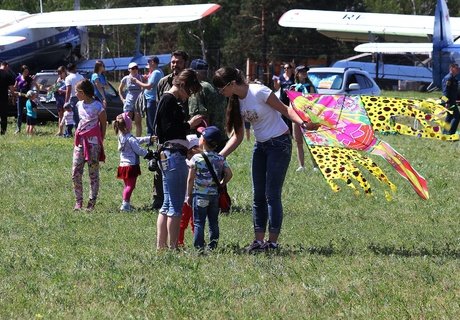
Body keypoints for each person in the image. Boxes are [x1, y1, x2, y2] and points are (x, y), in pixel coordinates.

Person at [212, 67, 319, 252]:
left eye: (221, 89)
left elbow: (285, 110)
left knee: (271, 194)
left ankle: (272, 242)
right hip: (260, 146)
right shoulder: (236, 101)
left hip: (279, 144)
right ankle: (259, 242)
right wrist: (219, 157)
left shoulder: (258, 91)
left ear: (231, 84)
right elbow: (237, 137)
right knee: (257, 195)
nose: (221, 93)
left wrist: (303, 123)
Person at [155, 68, 203, 250]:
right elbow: (170, 129)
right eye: (189, 91)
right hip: (174, 155)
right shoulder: (170, 101)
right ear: (182, 85)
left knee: (166, 204)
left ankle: (161, 246)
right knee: (175, 206)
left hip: (167, 154)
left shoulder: (166, 100)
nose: (188, 96)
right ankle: (173, 247)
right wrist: (189, 124)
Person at [152, 50, 189, 210]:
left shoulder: (188, 82)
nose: (175, 65)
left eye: (178, 62)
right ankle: (157, 199)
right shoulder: (163, 82)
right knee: (160, 168)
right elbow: (158, 108)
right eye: (173, 62)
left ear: (185, 63)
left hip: (183, 132)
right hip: (165, 133)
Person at [186, 126, 233, 251]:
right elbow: (229, 174)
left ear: (203, 141)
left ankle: (199, 247)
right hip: (214, 196)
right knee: (213, 222)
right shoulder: (220, 158)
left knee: (199, 222)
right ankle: (213, 246)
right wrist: (222, 183)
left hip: (200, 195)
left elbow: (190, 179)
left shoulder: (196, 158)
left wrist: (188, 195)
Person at [72, 79, 107, 211]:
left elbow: (103, 124)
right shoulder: (79, 104)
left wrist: (100, 140)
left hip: (93, 144)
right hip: (80, 143)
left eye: (77, 92)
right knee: (75, 172)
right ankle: (78, 202)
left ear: (83, 92)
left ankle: (91, 202)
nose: (76, 94)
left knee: (93, 174)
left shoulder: (98, 106)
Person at [113, 112, 154, 212]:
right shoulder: (130, 138)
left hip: (123, 165)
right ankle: (125, 205)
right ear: (129, 126)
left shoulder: (122, 136)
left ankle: (126, 203)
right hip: (131, 166)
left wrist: (148, 138)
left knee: (127, 186)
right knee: (131, 186)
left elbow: (136, 140)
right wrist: (148, 154)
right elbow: (138, 150)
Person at [289, 65, 319, 172]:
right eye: (302, 72)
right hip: (296, 117)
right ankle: (301, 165)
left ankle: (315, 165)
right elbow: (291, 102)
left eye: (306, 72)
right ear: (297, 74)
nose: (304, 73)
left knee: (311, 141)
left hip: (308, 117)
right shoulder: (293, 87)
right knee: (298, 142)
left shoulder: (311, 87)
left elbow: (315, 101)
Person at [188, 59, 227, 137]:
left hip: (206, 138)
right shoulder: (216, 85)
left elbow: (198, 116)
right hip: (220, 134)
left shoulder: (199, 87)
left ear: (194, 73)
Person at [178, 134, 201, 247]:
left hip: (186, 198)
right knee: (194, 222)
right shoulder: (198, 162)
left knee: (184, 222)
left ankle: (180, 242)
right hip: (193, 197)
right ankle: (196, 242)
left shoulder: (183, 163)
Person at [131, 56, 164, 135]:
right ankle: (150, 138)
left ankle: (152, 138)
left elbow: (149, 86)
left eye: (149, 61)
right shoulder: (157, 71)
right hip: (150, 99)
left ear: (153, 62)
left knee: (151, 121)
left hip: (152, 100)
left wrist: (136, 81)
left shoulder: (156, 72)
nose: (147, 63)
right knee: (149, 120)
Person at [118, 62, 143, 136]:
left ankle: (137, 140)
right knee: (126, 121)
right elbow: (120, 89)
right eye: (133, 68)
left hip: (138, 102)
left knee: (138, 122)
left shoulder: (141, 77)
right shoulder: (125, 78)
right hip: (129, 102)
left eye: (136, 68)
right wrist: (122, 99)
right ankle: (126, 138)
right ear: (129, 69)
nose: (135, 70)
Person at [14, 65, 36, 134]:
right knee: (19, 114)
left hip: (28, 99)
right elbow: (15, 88)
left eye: (27, 71)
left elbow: (35, 85)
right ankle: (18, 129)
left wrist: (36, 92)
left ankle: (29, 128)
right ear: (22, 72)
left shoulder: (29, 79)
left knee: (29, 113)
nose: (27, 73)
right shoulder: (18, 78)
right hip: (20, 98)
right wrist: (15, 92)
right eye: (25, 71)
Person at [273, 63, 295, 132]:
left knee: (291, 114)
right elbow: (277, 88)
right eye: (284, 68)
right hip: (283, 99)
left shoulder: (294, 77)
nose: (286, 69)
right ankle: (284, 131)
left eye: (288, 68)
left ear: (291, 69)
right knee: (284, 115)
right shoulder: (281, 77)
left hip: (292, 99)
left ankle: (292, 131)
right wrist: (275, 81)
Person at [442, 63, 460, 135]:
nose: (458, 70)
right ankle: (450, 133)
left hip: (451, 101)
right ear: (452, 69)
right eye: (457, 68)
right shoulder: (448, 78)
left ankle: (445, 132)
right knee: (456, 116)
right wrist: (446, 102)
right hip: (448, 101)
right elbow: (445, 91)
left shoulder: (453, 78)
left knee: (449, 117)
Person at [65, 63, 85, 127]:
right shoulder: (81, 77)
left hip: (73, 98)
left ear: (68, 70)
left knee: (75, 115)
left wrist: (66, 101)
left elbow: (69, 90)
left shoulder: (68, 78)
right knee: (81, 113)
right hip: (82, 97)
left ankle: (77, 128)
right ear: (74, 68)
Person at [0, 61, 16, 135]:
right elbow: (11, 88)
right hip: (3, 98)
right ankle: (3, 132)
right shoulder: (7, 75)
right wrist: (14, 95)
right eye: (8, 67)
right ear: (6, 66)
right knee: (3, 116)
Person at [51, 66, 68, 136]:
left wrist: (62, 91)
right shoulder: (58, 80)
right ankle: (60, 131)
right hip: (59, 100)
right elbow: (54, 89)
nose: (59, 75)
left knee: (66, 115)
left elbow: (69, 90)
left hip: (65, 99)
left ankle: (67, 131)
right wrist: (55, 87)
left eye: (60, 73)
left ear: (64, 72)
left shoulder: (68, 80)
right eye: (58, 73)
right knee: (60, 115)